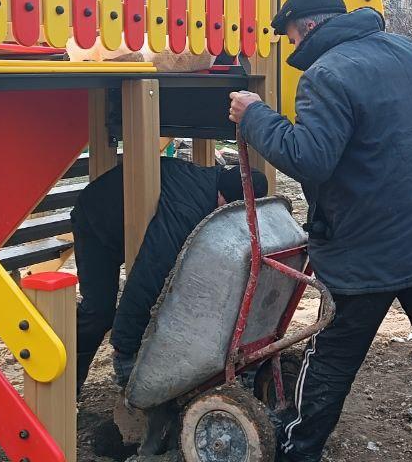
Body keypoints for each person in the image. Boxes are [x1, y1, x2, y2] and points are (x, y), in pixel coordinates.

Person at [227, 0, 412, 462]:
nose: (293, 47)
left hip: (368, 250)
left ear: (307, 26)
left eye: (291, 37)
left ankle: (297, 452)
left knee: (332, 357)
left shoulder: (326, 75)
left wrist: (255, 116)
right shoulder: (407, 54)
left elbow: (310, 158)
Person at [72, 158, 268, 393]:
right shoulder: (186, 210)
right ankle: (65, 386)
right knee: (99, 312)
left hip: (132, 218)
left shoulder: (215, 185)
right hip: (97, 221)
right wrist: (126, 348)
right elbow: (151, 273)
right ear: (224, 199)